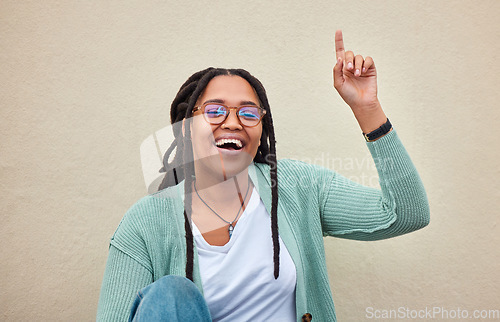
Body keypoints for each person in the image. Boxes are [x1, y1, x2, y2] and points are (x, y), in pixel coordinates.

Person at [97, 30, 430, 321]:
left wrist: (366, 108)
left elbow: (406, 214)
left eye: (248, 112)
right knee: (170, 294)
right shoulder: (145, 223)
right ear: (186, 126)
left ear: (261, 127)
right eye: (214, 111)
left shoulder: (298, 186)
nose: (232, 122)